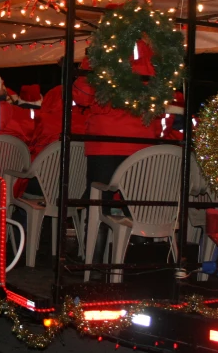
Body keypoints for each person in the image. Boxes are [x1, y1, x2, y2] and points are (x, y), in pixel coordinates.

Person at [79, 41, 160, 274]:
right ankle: (135, 266)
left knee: (98, 205)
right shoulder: (148, 55)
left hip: (105, 143)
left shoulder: (101, 52)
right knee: (136, 207)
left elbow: (82, 96)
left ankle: (93, 265)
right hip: (142, 145)